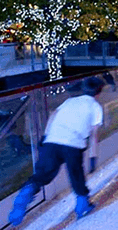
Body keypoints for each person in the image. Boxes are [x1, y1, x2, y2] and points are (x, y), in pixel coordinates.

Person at [8, 77, 105, 226]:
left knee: (43, 174)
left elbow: (53, 116)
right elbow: (94, 136)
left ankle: (28, 190)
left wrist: (45, 136)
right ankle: (82, 205)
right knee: (76, 175)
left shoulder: (70, 101)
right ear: (98, 93)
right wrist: (93, 157)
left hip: (52, 141)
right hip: (73, 144)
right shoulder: (96, 107)